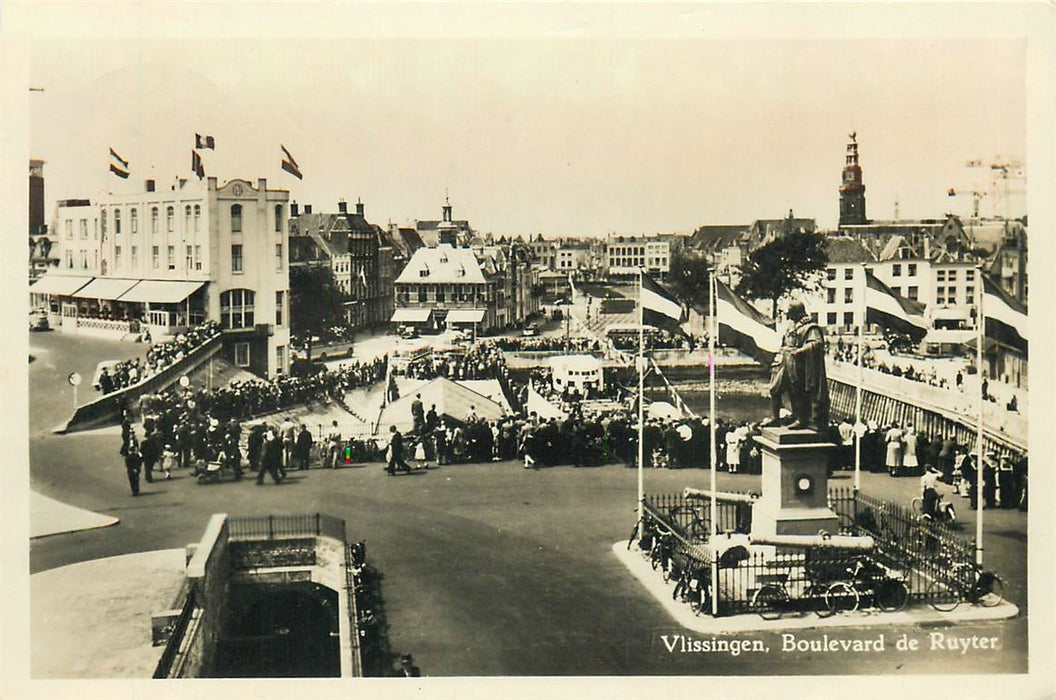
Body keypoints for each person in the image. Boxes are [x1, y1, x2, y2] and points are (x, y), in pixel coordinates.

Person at [768, 301, 829, 430]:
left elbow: (816, 343)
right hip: (784, 361)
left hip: (799, 364)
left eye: (790, 313)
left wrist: (799, 351)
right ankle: (776, 418)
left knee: (797, 391)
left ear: (798, 312)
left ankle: (801, 419)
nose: (788, 316)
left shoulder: (810, 327)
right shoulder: (791, 326)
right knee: (774, 389)